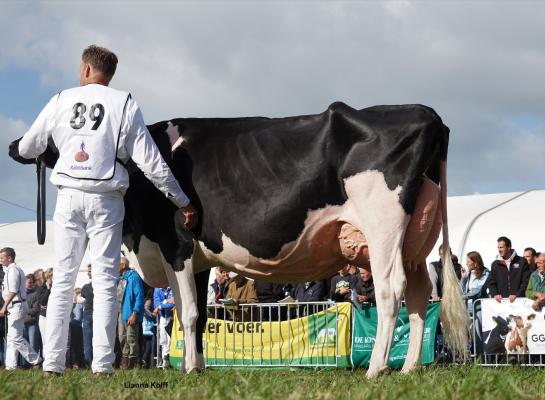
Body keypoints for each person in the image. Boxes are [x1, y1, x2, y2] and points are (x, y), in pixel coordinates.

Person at [14, 45, 198, 376]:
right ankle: (102, 365)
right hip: (106, 198)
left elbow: (29, 146)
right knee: (104, 280)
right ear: (110, 75)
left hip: (68, 195)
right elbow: (151, 161)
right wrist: (181, 200)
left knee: (63, 277)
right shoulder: (124, 103)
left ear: (85, 70)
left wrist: (25, 151)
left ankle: (53, 364)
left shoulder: (60, 99)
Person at [0, 247, 42, 370]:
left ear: (9, 258)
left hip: (16, 305)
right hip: (16, 305)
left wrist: (4, 307)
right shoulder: (11, 270)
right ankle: (10, 366)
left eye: (2, 257)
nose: (0, 260)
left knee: (16, 338)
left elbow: (13, 291)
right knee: (12, 338)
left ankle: (36, 360)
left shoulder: (13, 270)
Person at [117, 257, 144, 369]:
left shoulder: (134, 277)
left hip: (131, 314)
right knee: (122, 338)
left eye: (117, 264)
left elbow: (140, 296)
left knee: (131, 339)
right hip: (121, 314)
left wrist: (135, 313)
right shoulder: (120, 279)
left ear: (123, 265)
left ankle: (133, 363)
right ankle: (125, 360)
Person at [488, 236, 531, 303]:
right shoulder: (495, 264)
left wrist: (517, 295)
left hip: (519, 301)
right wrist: (495, 294)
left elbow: (526, 281)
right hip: (501, 302)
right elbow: (491, 283)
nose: (499, 250)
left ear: (509, 247)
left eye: (501, 247)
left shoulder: (522, 261)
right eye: (498, 247)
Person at [153, 286, 175, 368]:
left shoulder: (173, 286)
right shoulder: (157, 289)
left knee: (171, 340)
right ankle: (165, 363)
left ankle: (172, 361)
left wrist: (160, 306)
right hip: (163, 317)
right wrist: (166, 301)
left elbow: (175, 302)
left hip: (173, 317)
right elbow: (156, 304)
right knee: (163, 341)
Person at [24, 274, 42, 363]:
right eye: (28, 282)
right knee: (24, 346)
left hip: (32, 323)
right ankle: (25, 365)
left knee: (33, 345)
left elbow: (36, 309)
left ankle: (34, 364)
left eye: (31, 282)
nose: (30, 284)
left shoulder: (36, 294)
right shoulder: (21, 295)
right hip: (23, 323)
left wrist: (24, 310)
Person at [80, 264, 94, 367]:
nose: (88, 273)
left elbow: (82, 298)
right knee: (88, 340)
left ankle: (89, 363)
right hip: (90, 313)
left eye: (89, 271)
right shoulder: (86, 287)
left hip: (90, 313)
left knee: (88, 340)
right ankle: (89, 362)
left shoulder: (86, 287)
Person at [38, 268, 53, 353]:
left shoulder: (57, 288)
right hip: (44, 316)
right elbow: (42, 302)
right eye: (51, 277)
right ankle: (46, 359)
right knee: (45, 340)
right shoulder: (41, 288)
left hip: (53, 316)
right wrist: (48, 289)